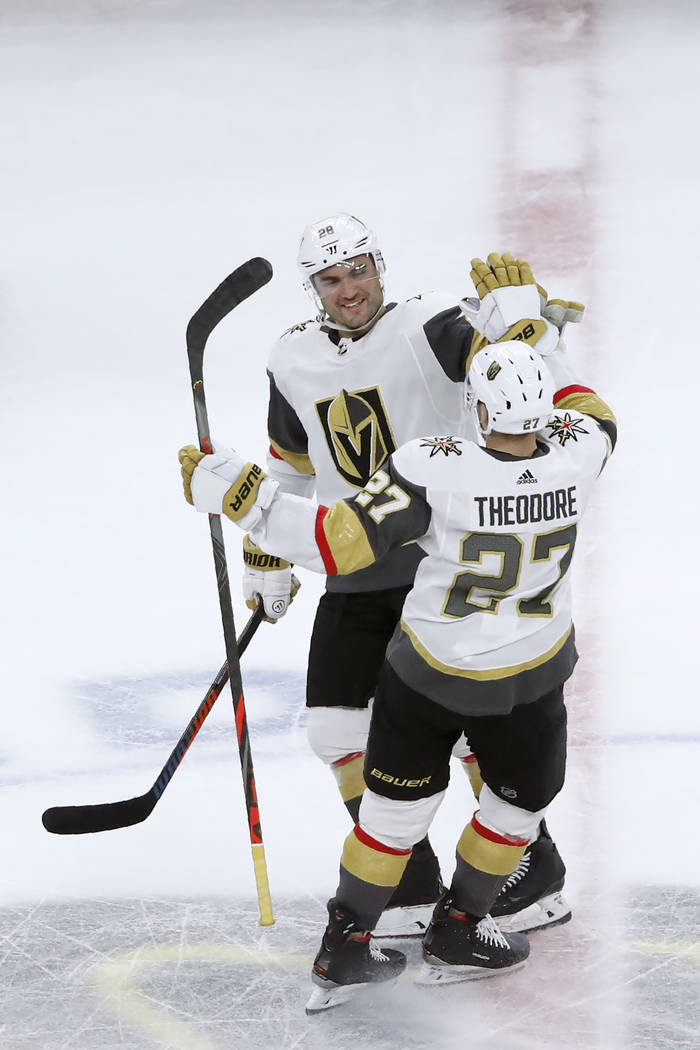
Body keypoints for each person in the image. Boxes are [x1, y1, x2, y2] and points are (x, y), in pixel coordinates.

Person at [178, 340, 616, 1012]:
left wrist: (249, 501)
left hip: (427, 672)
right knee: (515, 809)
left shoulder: (433, 466)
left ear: (476, 407)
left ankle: (344, 948)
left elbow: (337, 543)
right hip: (527, 678)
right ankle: (462, 928)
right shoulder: (581, 450)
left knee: (389, 816)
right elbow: (588, 406)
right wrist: (532, 326)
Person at [238, 215, 593, 935]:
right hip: (354, 553)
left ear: (380, 267)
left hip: (440, 552)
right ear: (314, 289)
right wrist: (267, 550)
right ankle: (407, 882)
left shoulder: (428, 322)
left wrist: (529, 329)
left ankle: (531, 870)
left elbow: (508, 377)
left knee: (461, 726)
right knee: (335, 729)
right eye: (332, 279)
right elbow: (291, 463)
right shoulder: (291, 357)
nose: (350, 290)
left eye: (359, 271)